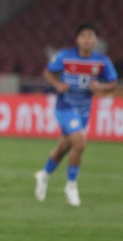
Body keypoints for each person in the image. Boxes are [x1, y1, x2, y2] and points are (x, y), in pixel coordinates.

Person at [34, 24, 117, 206]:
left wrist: (100, 87)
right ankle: (71, 186)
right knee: (80, 144)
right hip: (65, 107)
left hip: (84, 110)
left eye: (90, 36)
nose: (87, 40)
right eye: (83, 36)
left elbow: (113, 83)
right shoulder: (65, 56)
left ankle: (44, 175)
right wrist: (57, 85)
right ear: (77, 40)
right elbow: (48, 72)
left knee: (64, 147)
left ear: (96, 40)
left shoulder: (102, 62)